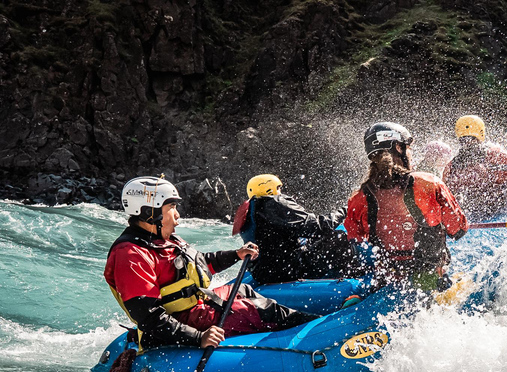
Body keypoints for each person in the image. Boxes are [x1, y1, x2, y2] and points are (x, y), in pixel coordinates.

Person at [105, 176, 317, 352]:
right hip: (181, 322)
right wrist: (199, 337)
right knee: (264, 310)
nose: (178, 215)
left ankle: (304, 323)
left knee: (242, 290)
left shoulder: (164, 240)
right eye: (171, 207)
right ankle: (317, 331)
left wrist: (236, 254)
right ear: (149, 211)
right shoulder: (131, 254)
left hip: (195, 306)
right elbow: (149, 317)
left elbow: (200, 263)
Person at [345, 122, 468, 291]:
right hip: (430, 281)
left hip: (387, 282)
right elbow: (458, 229)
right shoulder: (429, 183)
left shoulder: (358, 198)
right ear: (398, 147)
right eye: (408, 148)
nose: (411, 153)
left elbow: (357, 243)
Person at [232, 173, 359, 284]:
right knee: (339, 237)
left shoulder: (251, 210)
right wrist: (346, 209)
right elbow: (319, 227)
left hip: (262, 272)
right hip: (286, 271)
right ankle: (355, 275)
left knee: (311, 241)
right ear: (270, 189)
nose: (281, 192)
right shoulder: (275, 203)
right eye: (278, 188)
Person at [442, 115, 507, 219]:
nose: (468, 143)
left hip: (486, 213)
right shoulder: (494, 155)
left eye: (470, 139)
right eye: (465, 140)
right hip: (500, 212)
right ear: (481, 134)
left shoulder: (451, 168)